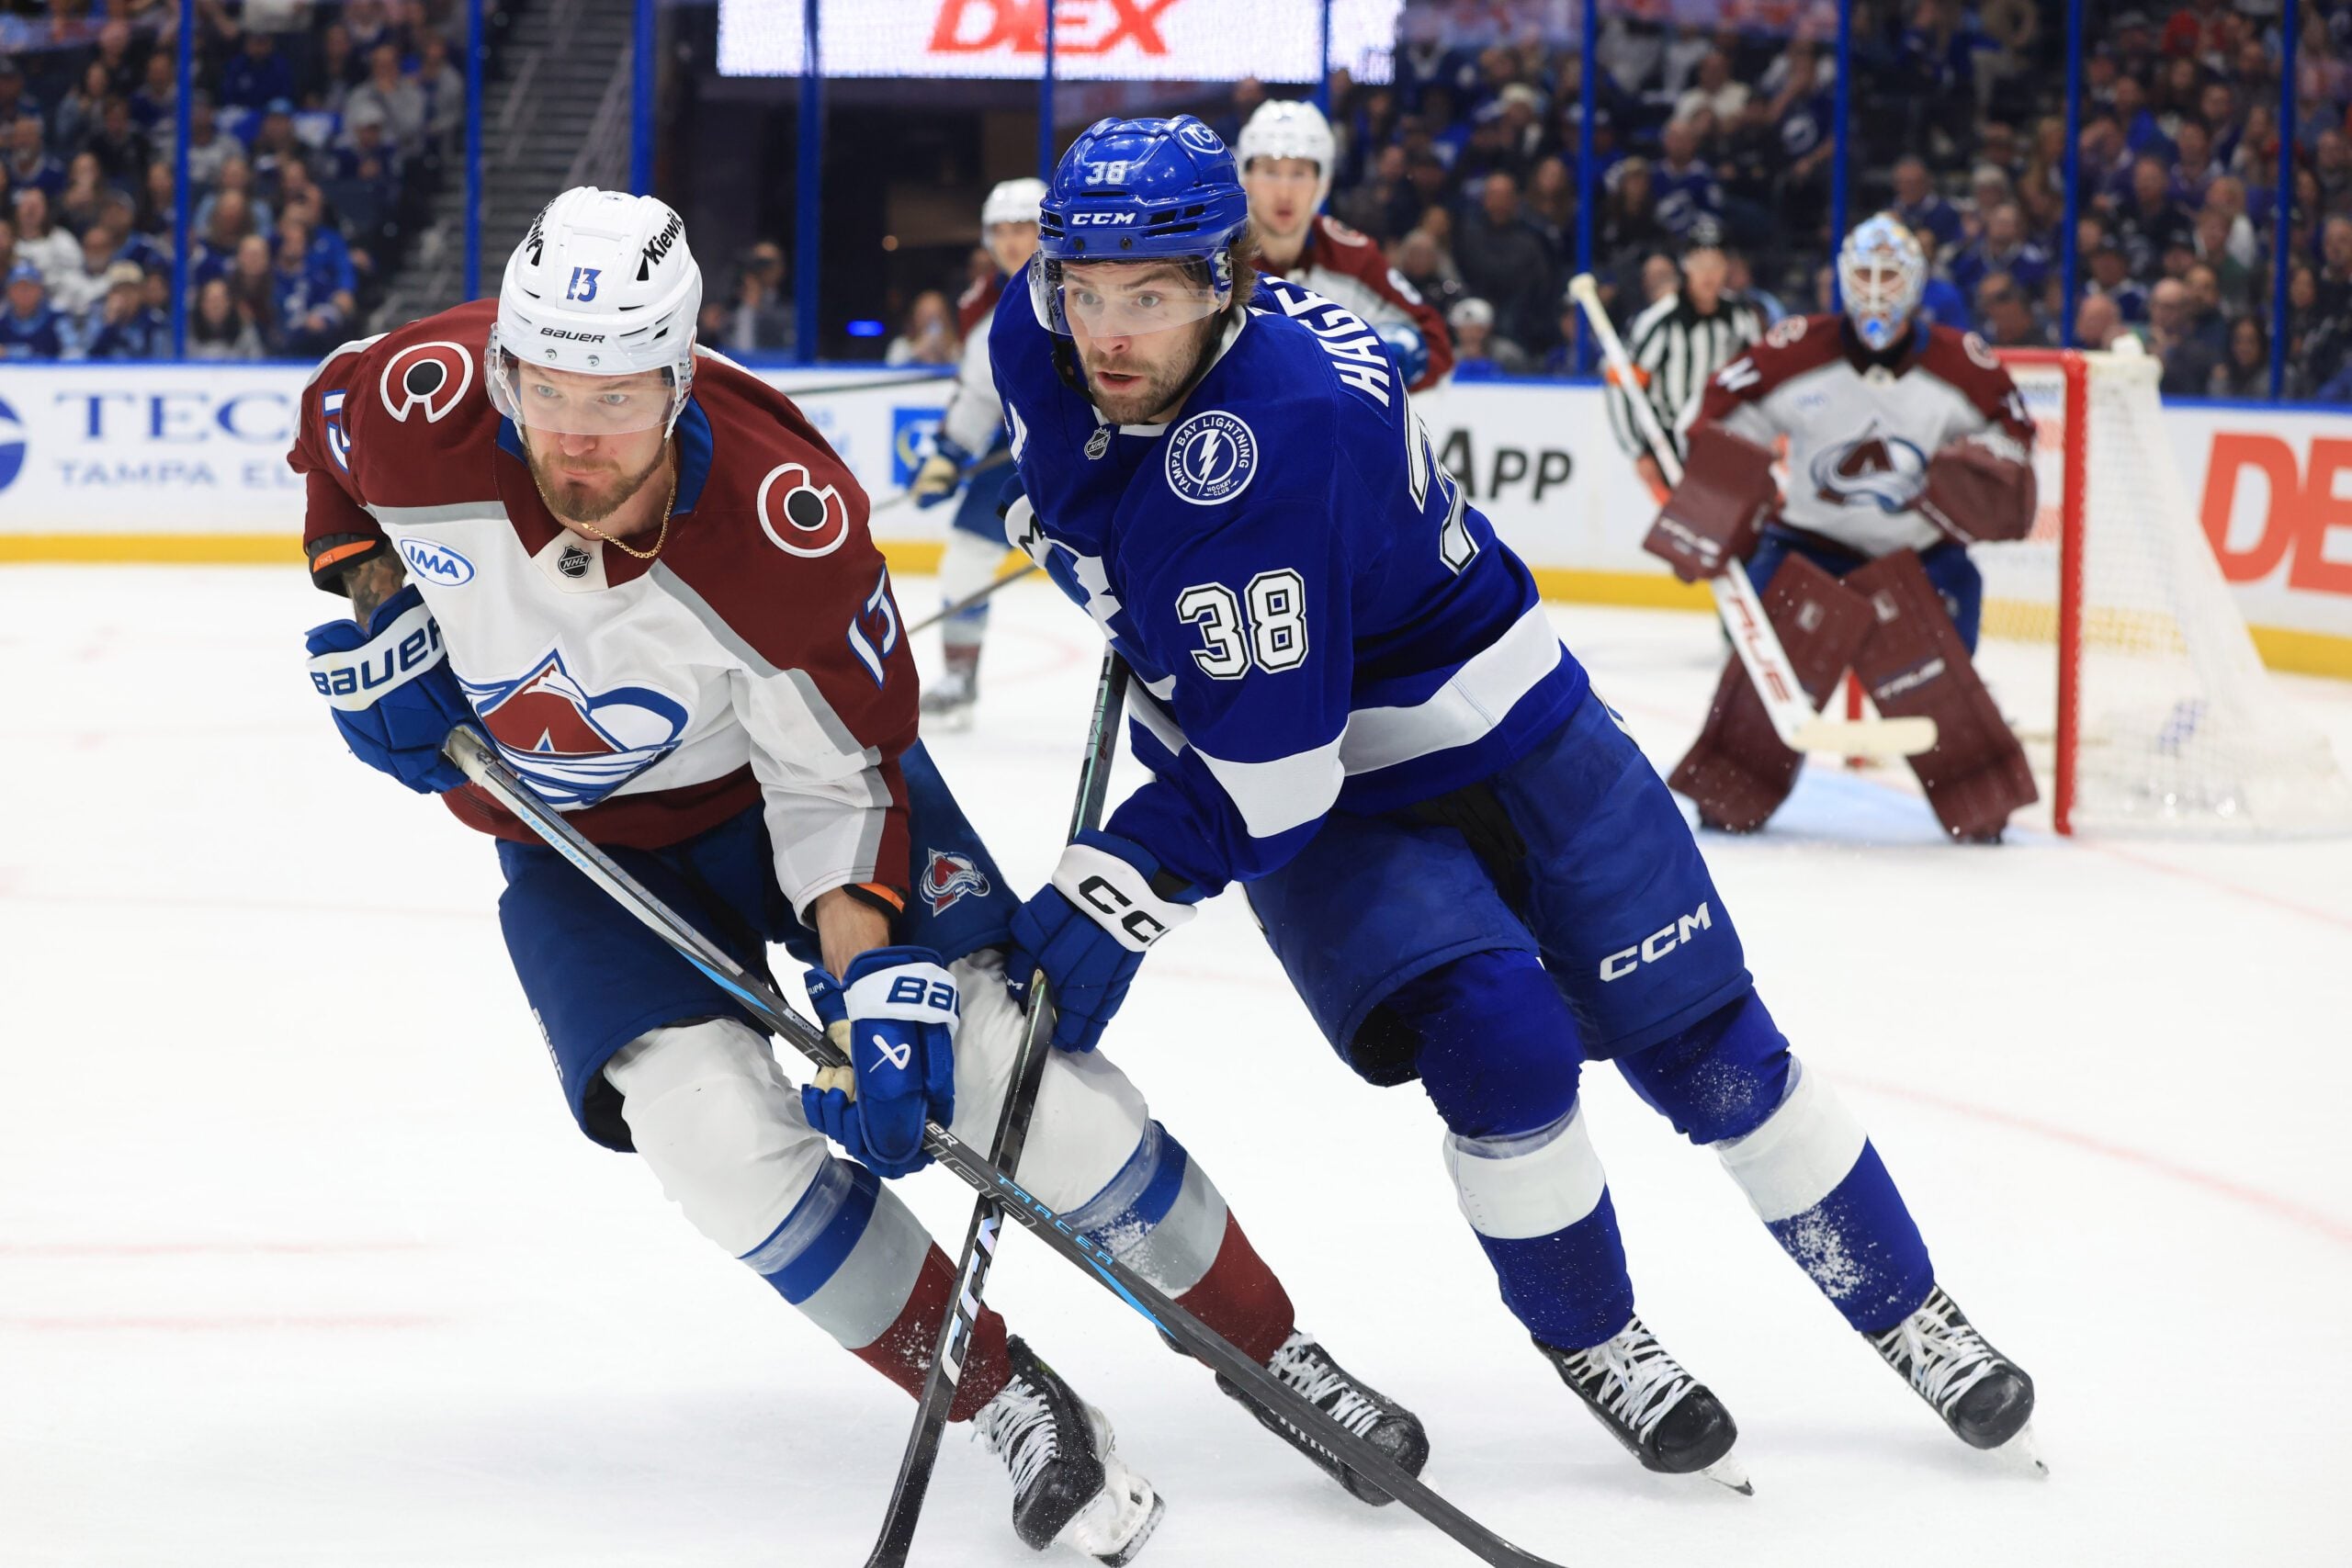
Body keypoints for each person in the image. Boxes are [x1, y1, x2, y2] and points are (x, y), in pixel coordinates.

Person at [286, 186, 1422, 1563]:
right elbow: (330, 442)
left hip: (789, 795)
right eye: (547, 397)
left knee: (1004, 1074)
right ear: (504, 370)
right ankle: (1005, 1397)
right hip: (571, 842)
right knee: (704, 1136)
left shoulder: (783, 519)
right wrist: (376, 602)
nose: (574, 448)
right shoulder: (423, 400)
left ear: (685, 376)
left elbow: (841, 780)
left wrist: (877, 976)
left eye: (619, 405)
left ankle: (1269, 1350)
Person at [988, 118, 2039, 1492]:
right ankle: (1596, 1336)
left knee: (1712, 1044)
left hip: (1478, 733)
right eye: (1087, 289)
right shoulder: (1040, 327)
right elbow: (1104, 485)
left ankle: (1908, 1305)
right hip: (1341, 773)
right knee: (1504, 1045)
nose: (1108, 332)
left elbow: (1273, 778)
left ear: (1226, 282)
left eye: (1153, 296)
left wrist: (1124, 884)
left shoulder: (1273, 440)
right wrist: (1080, 527)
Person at [1659, 214, 2041, 844]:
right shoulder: (1797, 349)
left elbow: (2014, 435)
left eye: (1890, 275)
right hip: (1807, 546)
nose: (1875, 289)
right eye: (1864, 273)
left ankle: (1977, 786)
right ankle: (1736, 779)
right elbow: (1719, 416)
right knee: (1760, 679)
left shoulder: (1961, 363)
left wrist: (1981, 470)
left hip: (1920, 554)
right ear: (1841, 277)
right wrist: (1718, 500)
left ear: (1916, 284)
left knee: (1947, 678)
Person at [907, 178, 1044, 731]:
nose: (1013, 243)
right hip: (1021, 457)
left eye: (1025, 229)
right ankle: (960, 678)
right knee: (964, 557)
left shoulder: (1088, 282)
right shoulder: (982, 304)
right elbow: (981, 394)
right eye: (1002, 232)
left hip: (1100, 456)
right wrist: (949, 453)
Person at [1235, 98, 1453, 392]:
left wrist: (1388, 359)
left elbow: (1432, 341)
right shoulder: (1217, 253)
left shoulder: (1350, 255)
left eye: (1299, 173)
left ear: (1322, 183)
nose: (1284, 191)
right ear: (1245, 178)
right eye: (1270, 171)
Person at [1602, 239, 1765, 502]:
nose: (1708, 274)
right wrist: (1637, 450)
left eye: (1715, 264)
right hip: (1669, 445)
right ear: (1685, 267)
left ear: (1727, 268)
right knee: (1681, 535)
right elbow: (1622, 385)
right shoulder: (1659, 321)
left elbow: (1760, 377)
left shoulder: (1740, 318)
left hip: (1726, 441)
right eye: (1700, 264)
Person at [0, 259, 64, 358]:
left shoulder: (58, 321)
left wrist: (9, 352)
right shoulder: (2, 323)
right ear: (9, 292)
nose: (24, 293)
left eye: (29, 287)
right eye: (18, 287)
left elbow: (73, 355)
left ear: (40, 290)